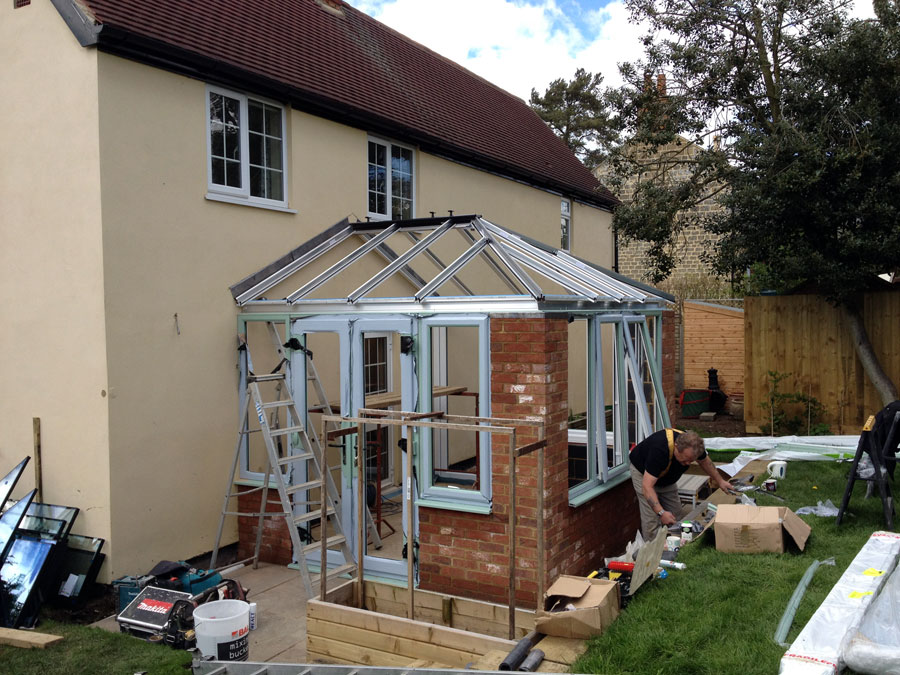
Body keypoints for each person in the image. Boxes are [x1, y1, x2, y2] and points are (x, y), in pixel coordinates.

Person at [629, 428, 733, 540]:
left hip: (667, 478)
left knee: (677, 517)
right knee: (652, 520)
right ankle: (655, 553)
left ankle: (677, 546)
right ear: (676, 447)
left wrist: (720, 481)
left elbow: (705, 462)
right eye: (685, 460)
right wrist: (661, 512)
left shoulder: (695, 447)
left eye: (691, 461)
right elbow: (647, 486)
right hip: (643, 475)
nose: (687, 464)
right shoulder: (660, 449)